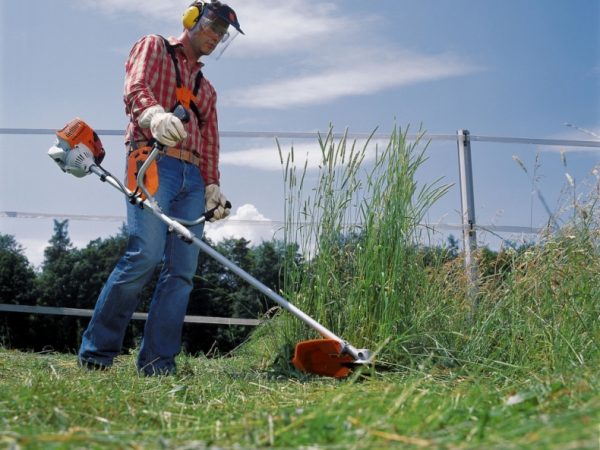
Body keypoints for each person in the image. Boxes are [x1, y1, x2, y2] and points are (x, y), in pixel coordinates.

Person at [78, 1, 243, 375]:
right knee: (145, 255)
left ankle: (157, 364)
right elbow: (135, 85)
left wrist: (213, 184)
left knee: (182, 273)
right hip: (151, 162)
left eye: (223, 33)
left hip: (192, 178)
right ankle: (96, 355)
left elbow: (211, 140)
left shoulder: (208, 90)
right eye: (213, 27)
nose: (216, 37)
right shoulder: (153, 46)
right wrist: (153, 115)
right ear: (192, 19)